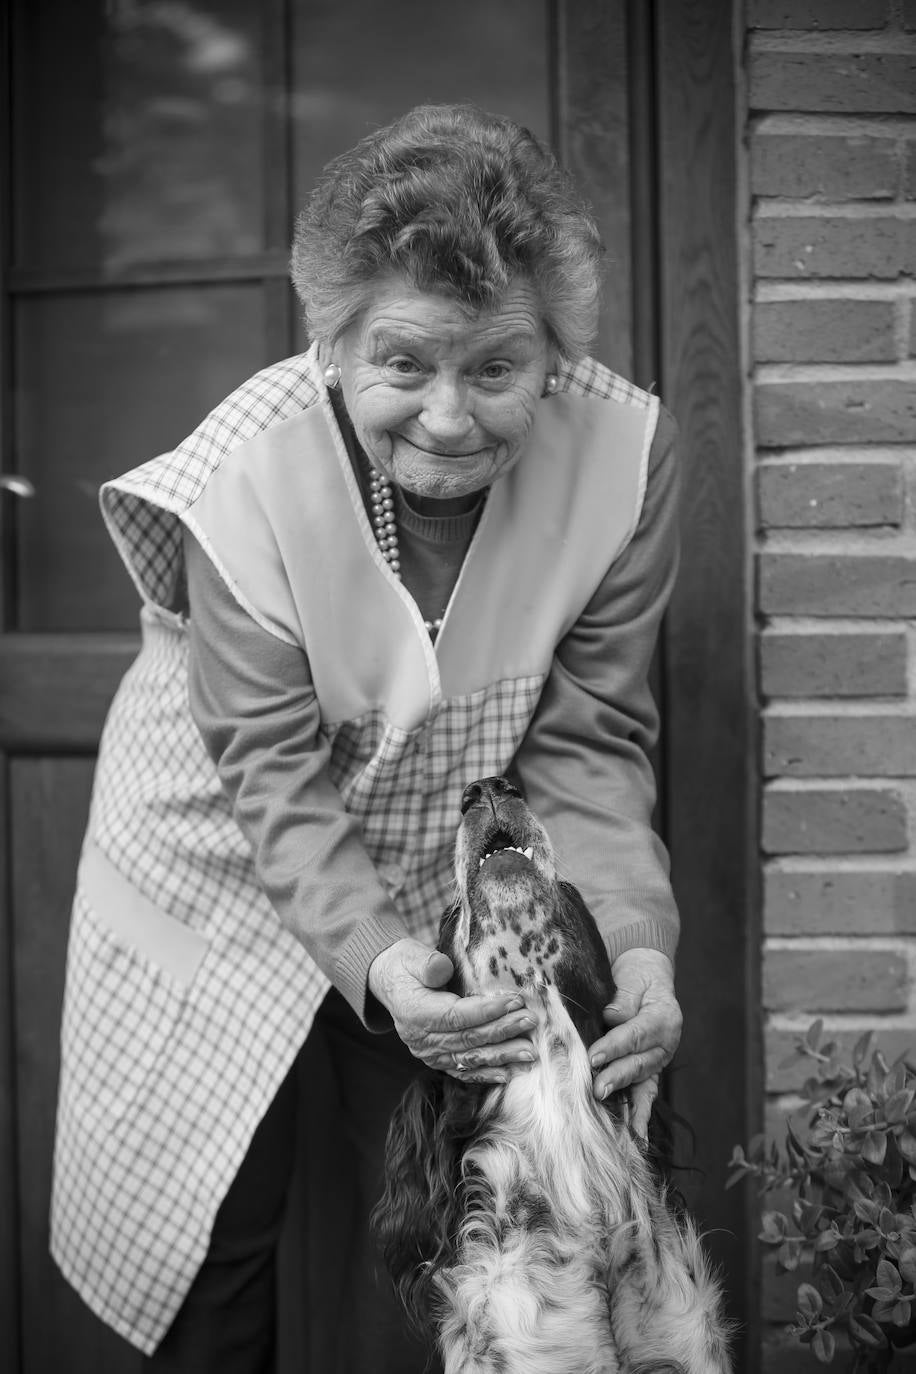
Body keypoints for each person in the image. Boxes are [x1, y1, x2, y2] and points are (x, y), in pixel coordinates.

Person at [51, 102, 683, 1372]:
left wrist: (637, 943)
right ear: (330, 345)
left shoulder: (626, 454)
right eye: (404, 363)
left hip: (434, 865)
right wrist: (371, 958)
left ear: (554, 354)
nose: (448, 416)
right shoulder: (249, 468)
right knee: (205, 1246)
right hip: (216, 856)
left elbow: (592, 735)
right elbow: (273, 772)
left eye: (496, 367)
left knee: (438, 1255)